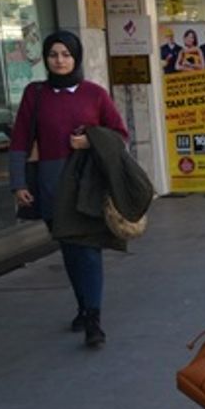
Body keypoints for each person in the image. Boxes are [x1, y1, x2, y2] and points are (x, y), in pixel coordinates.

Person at [9, 30, 130, 348]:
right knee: (70, 250)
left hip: (87, 185)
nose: (60, 60)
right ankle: (83, 306)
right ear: (46, 59)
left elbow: (119, 134)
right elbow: (20, 139)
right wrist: (18, 182)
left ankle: (93, 319)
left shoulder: (94, 94)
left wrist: (90, 140)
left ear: (75, 57)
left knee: (88, 251)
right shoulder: (35, 95)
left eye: (65, 54)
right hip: (50, 184)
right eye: (53, 55)